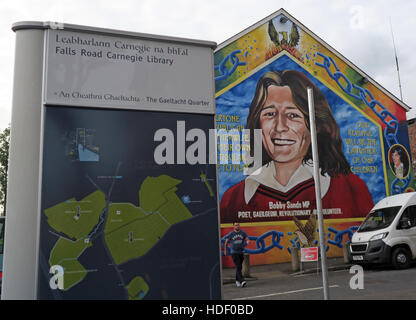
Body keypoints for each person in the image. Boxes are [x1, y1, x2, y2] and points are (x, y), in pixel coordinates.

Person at [220, 70, 374, 223]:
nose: (280, 127)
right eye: (269, 114)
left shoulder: (351, 189)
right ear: (257, 125)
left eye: (293, 115)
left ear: (315, 125)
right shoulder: (233, 200)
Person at [224, 221, 250, 287]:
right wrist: (225, 250)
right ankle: (242, 280)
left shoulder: (243, 233)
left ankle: (237, 280)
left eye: (238, 225)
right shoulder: (231, 234)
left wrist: (248, 241)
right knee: (238, 266)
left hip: (241, 252)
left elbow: (247, 239)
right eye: (235, 225)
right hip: (234, 252)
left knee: (239, 267)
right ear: (233, 226)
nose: (237, 226)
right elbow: (226, 242)